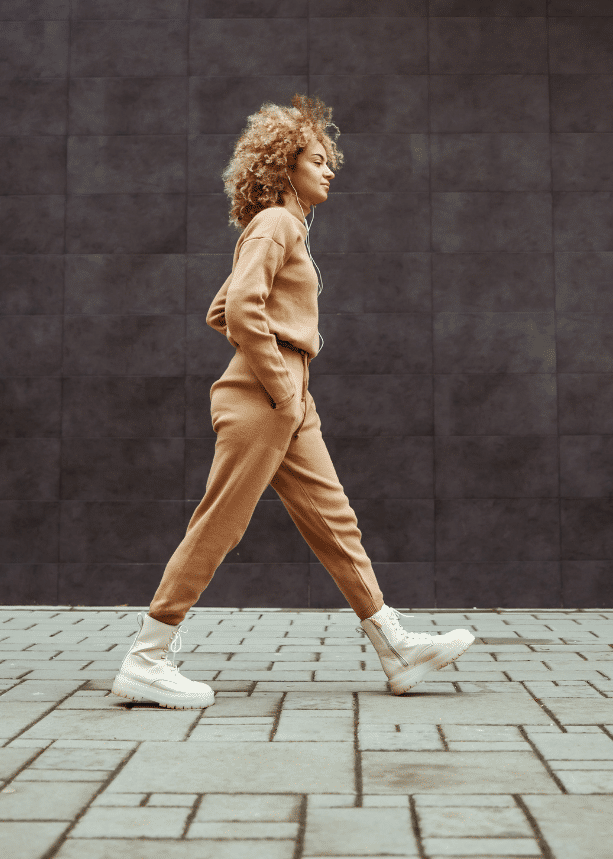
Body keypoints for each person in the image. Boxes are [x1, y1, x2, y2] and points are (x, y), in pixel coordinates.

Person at [109, 95, 475, 708]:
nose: (330, 169)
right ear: (284, 167)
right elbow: (243, 310)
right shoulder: (277, 223)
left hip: (286, 397)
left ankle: (395, 648)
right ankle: (146, 659)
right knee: (219, 526)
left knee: (335, 521)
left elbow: (221, 307)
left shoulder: (285, 228)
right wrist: (283, 384)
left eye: (331, 160)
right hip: (264, 398)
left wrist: (294, 371)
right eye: (318, 158)